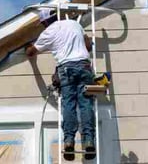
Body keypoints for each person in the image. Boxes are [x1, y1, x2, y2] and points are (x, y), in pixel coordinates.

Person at [25, 9, 96, 161]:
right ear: (55, 16)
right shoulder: (73, 24)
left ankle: (69, 141)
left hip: (66, 69)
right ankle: (89, 140)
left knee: (69, 104)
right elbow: (88, 45)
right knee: (86, 103)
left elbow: (32, 52)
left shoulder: (48, 33)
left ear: (44, 22)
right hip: (84, 66)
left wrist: (28, 47)